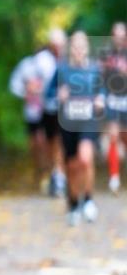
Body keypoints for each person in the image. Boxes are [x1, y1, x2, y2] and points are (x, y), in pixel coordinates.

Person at [47, 31, 106, 226]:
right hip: (69, 121)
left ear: (87, 49)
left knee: (85, 158)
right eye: (75, 47)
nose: (79, 50)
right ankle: (73, 203)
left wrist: (100, 100)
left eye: (82, 47)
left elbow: (102, 91)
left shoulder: (95, 69)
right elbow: (48, 93)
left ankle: (88, 199)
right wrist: (59, 95)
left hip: (88, 120)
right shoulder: (61, 70)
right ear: (70, 49)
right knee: (71, 166)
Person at [9, 28, 67, 196]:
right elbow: (19, 84)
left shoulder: (68, 59)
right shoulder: (37, 62)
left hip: (59, 109)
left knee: (59, 141)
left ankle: (58, 175)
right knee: (42, 141)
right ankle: (45, 173)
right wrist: (28, 92)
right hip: (39, 110)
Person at [101, 22, 127, 193]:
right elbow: (100, 76)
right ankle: (114, 177)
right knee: (113, 136)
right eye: (115, 34)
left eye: (122, 35)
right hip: (112, 99)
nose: (118, 38)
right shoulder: (105, 54)